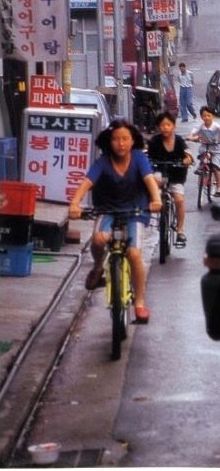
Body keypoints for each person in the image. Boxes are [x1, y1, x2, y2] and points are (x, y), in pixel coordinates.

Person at [68, 119, 162, 324]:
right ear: (109, 142)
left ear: (132, 141)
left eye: (125, 139)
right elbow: (87, 182)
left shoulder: (139, 158)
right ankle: (98, 267)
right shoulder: (103, 162)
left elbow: (149, 180)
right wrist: (74, 204)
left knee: (134, 254)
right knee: (99, 239)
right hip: (107, 209)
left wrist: (156, 200)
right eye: (116, 139)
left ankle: (139, 302)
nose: (121, 143)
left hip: (136, 211)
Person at [147, 111, 194, 246]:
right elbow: (148, 157)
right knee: (154, 191)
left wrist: (187, 160)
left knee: (179, 200)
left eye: (168, 125)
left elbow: (188, 155)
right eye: (162, 125)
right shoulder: (155, 141)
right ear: (158, 127)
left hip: (176, 175)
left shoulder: (179, 141)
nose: (165, 128)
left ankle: (180, 231)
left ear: (174, 126)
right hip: (159, 173)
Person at [187, 106, 220, 197]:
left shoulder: (217, 126)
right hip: (205, 147)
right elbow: (193, 132)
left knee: (215, 168)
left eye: (208, 115)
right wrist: (191, 137)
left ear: (213, 116)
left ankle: (219, 188)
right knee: (203, 157)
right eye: (204, 116)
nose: (206, 118)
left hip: (216, 149)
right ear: (201, 117)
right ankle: (201, 167)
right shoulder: (201, 127)